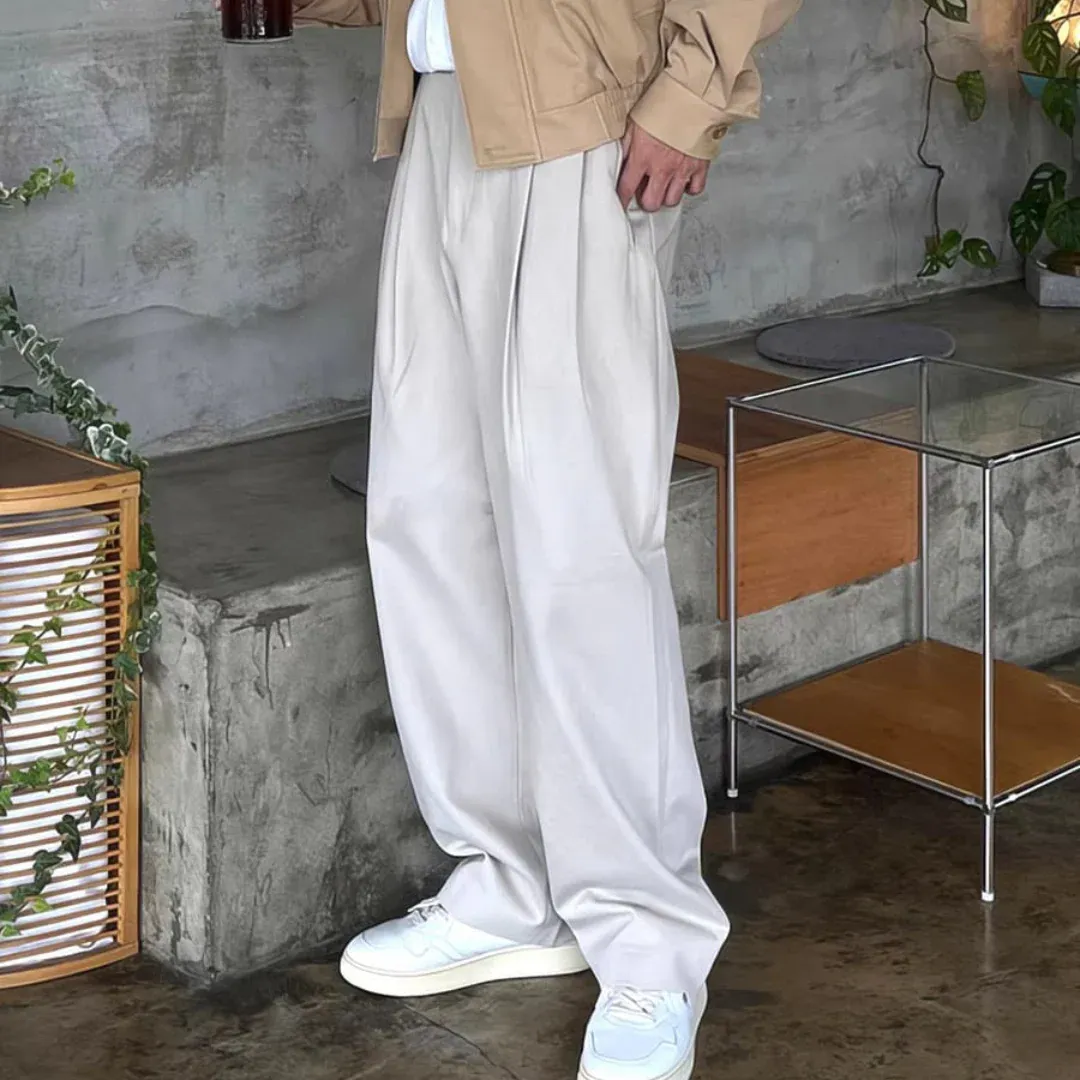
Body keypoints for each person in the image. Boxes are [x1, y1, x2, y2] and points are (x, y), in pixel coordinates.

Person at [292, 2, 800, 1077]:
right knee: (433, 525)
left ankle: (650, 941)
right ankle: (512, 884)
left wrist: (689, 96)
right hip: (446, 114)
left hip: (583, 123)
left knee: (580, 551)